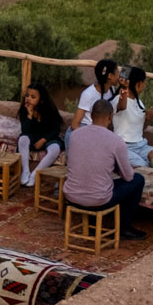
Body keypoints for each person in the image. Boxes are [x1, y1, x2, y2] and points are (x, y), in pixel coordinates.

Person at [64, 100, 146, 238]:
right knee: (138, 180)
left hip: (71, 195)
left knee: (95, 180)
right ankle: (124, 228)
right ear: (110, 116)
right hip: (99, 201)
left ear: (91, 115)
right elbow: (128, 176)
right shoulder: (116, 141)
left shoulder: (75, 135)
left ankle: (91, 224)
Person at [17, 84, 64, 190]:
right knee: (22, 139)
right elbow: (24, 130)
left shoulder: (50, 110)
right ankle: (25, 171)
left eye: (33, 97)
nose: (28, 99)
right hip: (33, 136)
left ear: (41, 100)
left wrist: (43, 140)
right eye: (27, 96)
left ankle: (35, 174)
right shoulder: (25, 110)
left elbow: (56, 129)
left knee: (55, 149)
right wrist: (29, 116)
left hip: (48, 137)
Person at [113, 66, 151, 172]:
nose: (144, 85)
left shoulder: (139, 103)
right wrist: (124, 88)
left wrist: (148, 119)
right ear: (138, 83)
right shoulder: (118, 100)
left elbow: (139, 130)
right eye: (144, 82)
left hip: (141, 145)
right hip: (123, 146)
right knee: (142, 167)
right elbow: (122, 106)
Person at [72, 58, 122, 131]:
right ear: (110, 76)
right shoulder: (88, 94)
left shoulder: (112, 90)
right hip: (87, 129)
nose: (119, 76)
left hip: (100, 129)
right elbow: (74, 124)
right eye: (117, 73)